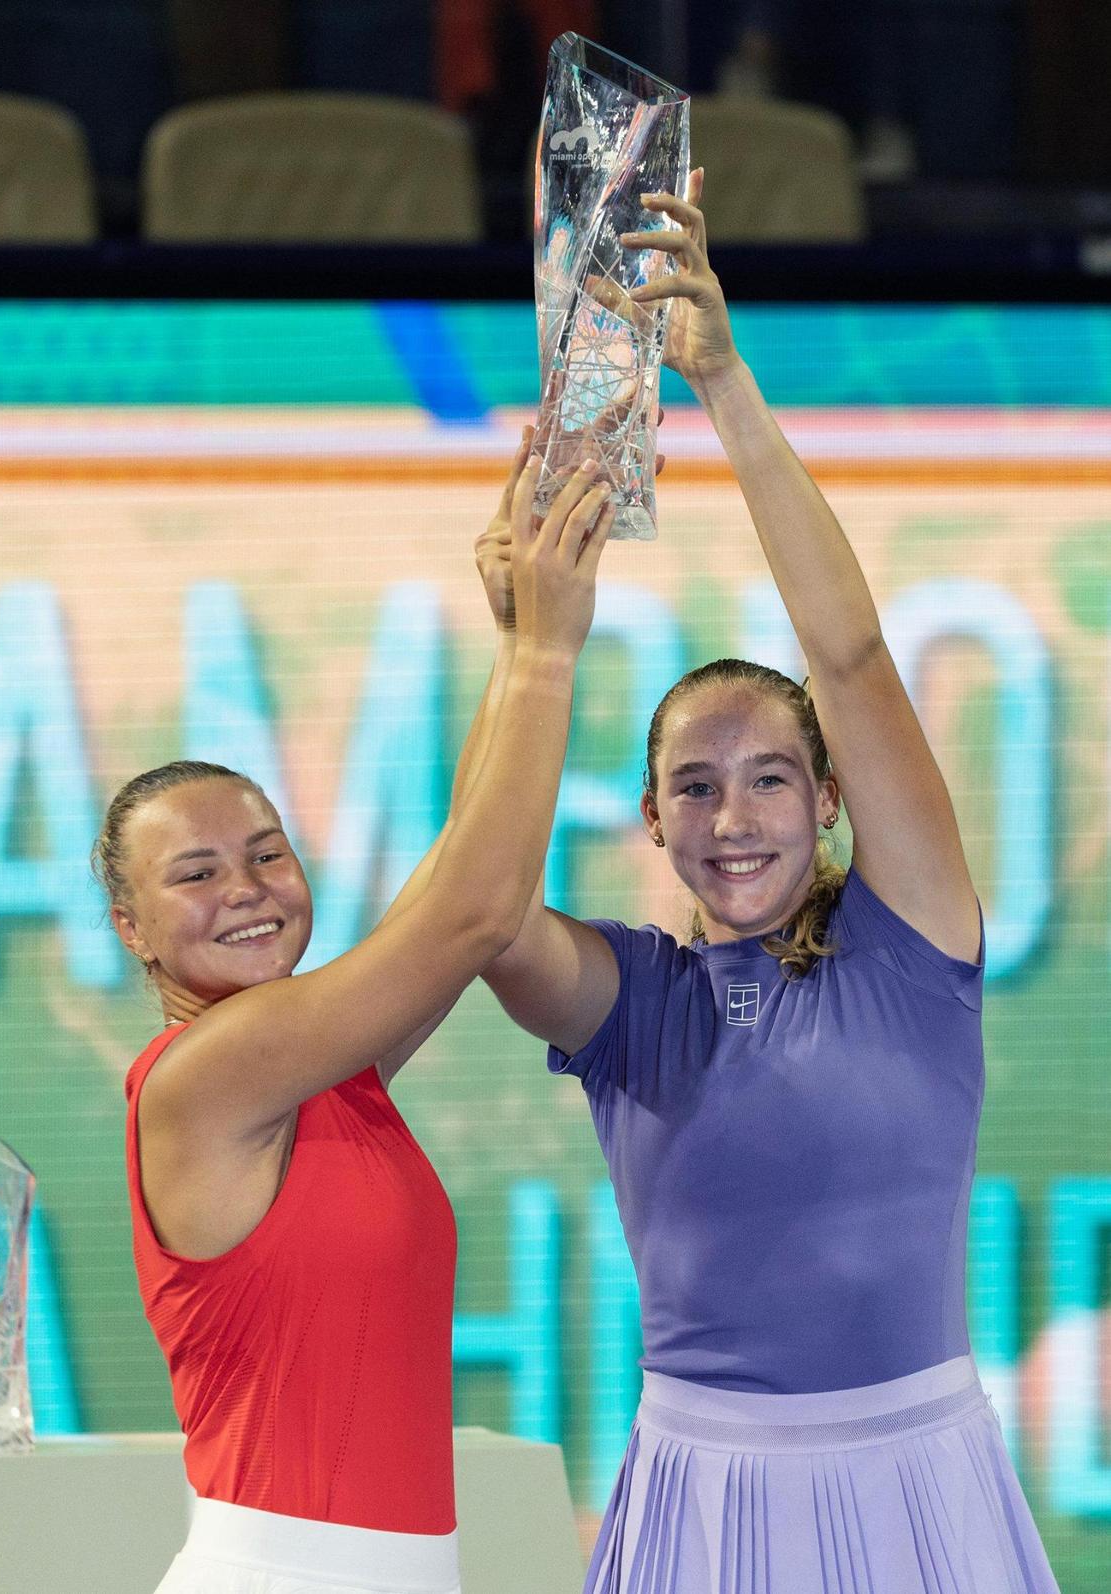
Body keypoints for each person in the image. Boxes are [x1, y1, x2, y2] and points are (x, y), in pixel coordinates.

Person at [481, 173, 1060, 1592]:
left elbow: (851, 661)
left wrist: (724, 380)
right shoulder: (632, 1002)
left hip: (926, 1483)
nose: (732, 816)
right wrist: (529, 654)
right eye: (694, 783)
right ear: (652, 818)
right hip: (702, 1497)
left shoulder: (916, 937)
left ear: (833, 799)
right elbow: (483, 914)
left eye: (769, 776)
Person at [94, 444, 613, 1594]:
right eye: (196, 874)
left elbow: (451, 890)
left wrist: (514, 639)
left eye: (267, 852)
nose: (245, 887)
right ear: (132, 929)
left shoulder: (318, 1072)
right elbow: (471, 917)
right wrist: (550, 653)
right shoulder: (208, 1074)